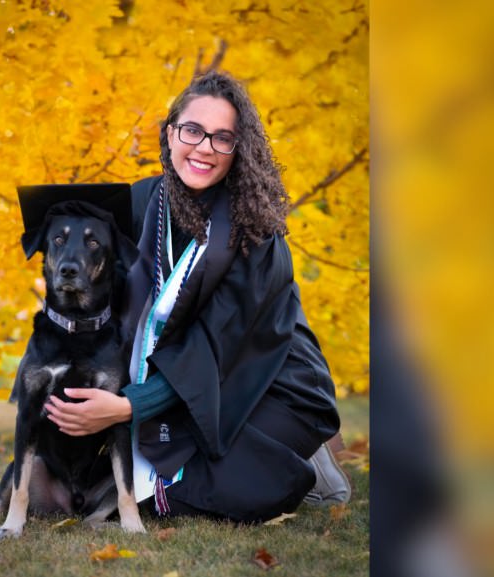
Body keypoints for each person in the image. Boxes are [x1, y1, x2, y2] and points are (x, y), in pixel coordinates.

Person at [44, 70, 350, 522]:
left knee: (240, 489)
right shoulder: (144, 202)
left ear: (237, 150)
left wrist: (129, 408)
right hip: (194, 386)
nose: (204, 148)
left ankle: (305, 457)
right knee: (128, 466)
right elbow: (82, 254)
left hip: (269, 381)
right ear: (171, 134)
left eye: (222, 138)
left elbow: (221, 349)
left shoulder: (255, 232)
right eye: (193, 131)